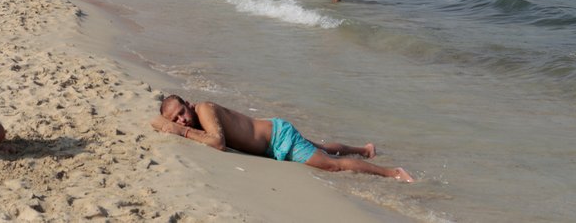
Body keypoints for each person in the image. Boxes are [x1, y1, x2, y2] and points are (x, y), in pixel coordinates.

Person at [153, 95, 413, 182]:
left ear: (188, 104)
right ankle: (365, 149)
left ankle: (393, 173)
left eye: (181, 113)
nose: (182, 120)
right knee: (322, 149)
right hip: (274, 137)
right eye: (175, 119)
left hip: (278, 139)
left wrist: (181, 131)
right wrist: (170, 125)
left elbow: (218, 142)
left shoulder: (204, 110)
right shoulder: (195, 117)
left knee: (332, 164)